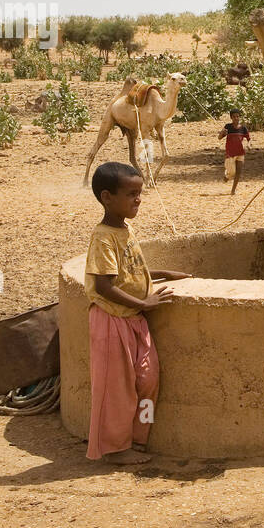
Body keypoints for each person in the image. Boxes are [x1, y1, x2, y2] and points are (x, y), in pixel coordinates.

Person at [84, 161, 191, 464]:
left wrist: (162, 274)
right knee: (116, 389)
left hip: (133, 318)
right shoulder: (103, 236)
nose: (138, 199)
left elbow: (128, 270)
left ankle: (138, 438)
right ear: (107, 198)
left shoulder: (125, 229)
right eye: (131, 194)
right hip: (112, 320)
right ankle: (116, 448)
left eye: (139, 193)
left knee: (148, 379)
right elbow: (103, 285)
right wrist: (145, 304)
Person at [219, 108, 250, 193]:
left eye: (237, 116)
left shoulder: (243, 128)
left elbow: (248, 139)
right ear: (231, 118)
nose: (236, 118)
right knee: (232, 172)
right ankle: (227, 176)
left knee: (238, 172)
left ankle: (233, 190)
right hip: (230, 153)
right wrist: (223, 133)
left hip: (240, 152)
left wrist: (248, 145)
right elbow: (219, 137)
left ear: (239, 117)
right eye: (234, 117)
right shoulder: (227, 127)